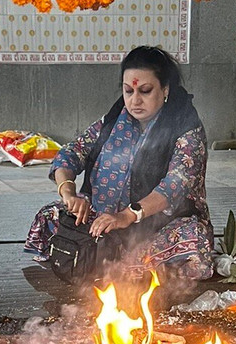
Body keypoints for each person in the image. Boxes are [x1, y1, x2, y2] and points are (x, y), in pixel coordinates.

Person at [25, 45, 214, 282]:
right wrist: (69, 194)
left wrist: (127, 216)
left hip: (157, 222)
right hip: (106, 215)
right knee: (49, 216)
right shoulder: (115, 120)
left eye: (145, 91)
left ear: (165, 89)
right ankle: (106, 256)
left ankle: (107, 260)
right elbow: (72, 152)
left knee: (193, 239)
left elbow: (176, 185)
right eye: (128, 91)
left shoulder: (186, 128)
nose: (135, 101)